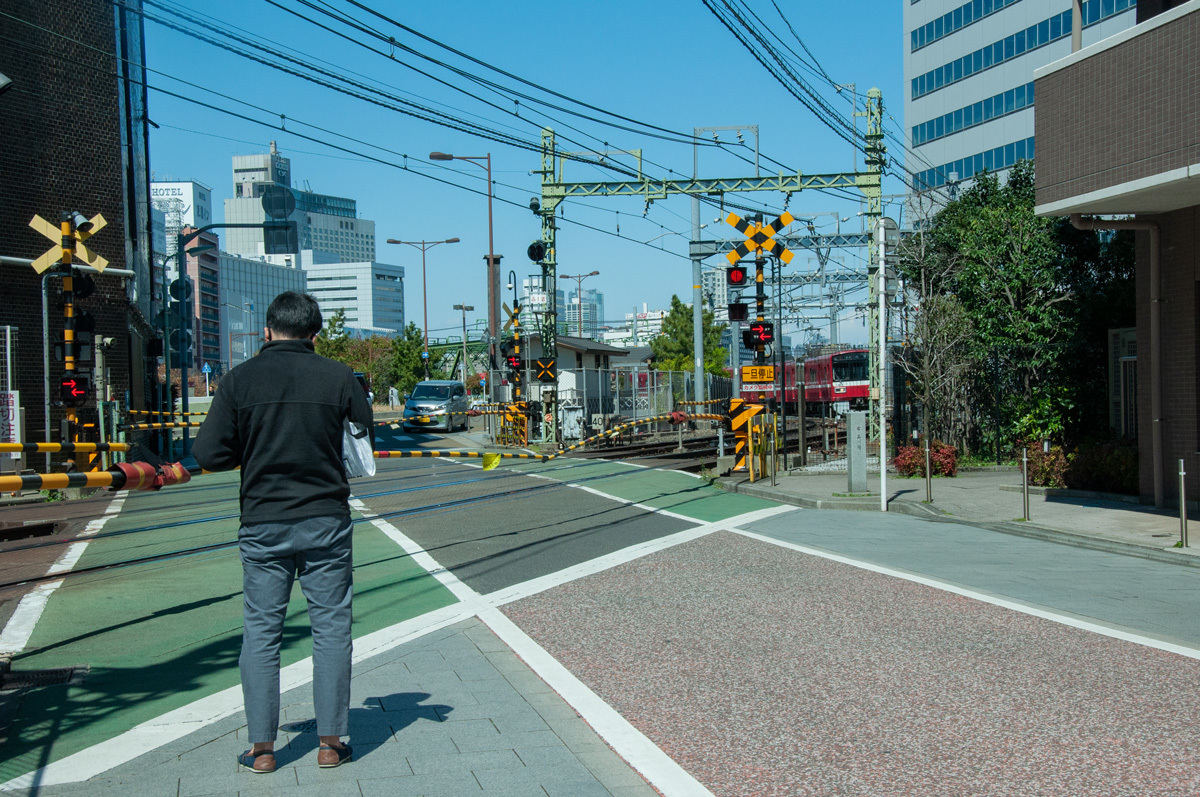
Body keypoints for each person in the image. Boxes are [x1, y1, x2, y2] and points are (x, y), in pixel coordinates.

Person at [193, 291, 373, 774]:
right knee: (332, 630)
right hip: (326, 522)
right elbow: (362, 434)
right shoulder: (339, 377)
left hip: (263, 523)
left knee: (261, 633)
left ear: (267, 331)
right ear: (315, 335)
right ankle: (331, 743)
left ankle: (263, 750)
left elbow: (210, 455)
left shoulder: (239, 380)